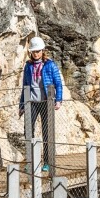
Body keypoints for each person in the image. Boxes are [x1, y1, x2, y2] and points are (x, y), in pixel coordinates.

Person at [19, 36, 63, 171]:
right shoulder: (28, 66)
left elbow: (58, 83)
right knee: (28, 130)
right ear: (30, 52)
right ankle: (31, 161)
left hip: (46, 102)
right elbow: (25, 85)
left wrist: (59, 100)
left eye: (38, 51)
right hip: (31, 102)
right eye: (34, 51)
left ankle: (48, 162)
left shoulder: (50, 65)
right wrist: (21, 105)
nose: (36, 53)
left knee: (47, 132)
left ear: (42, 50)